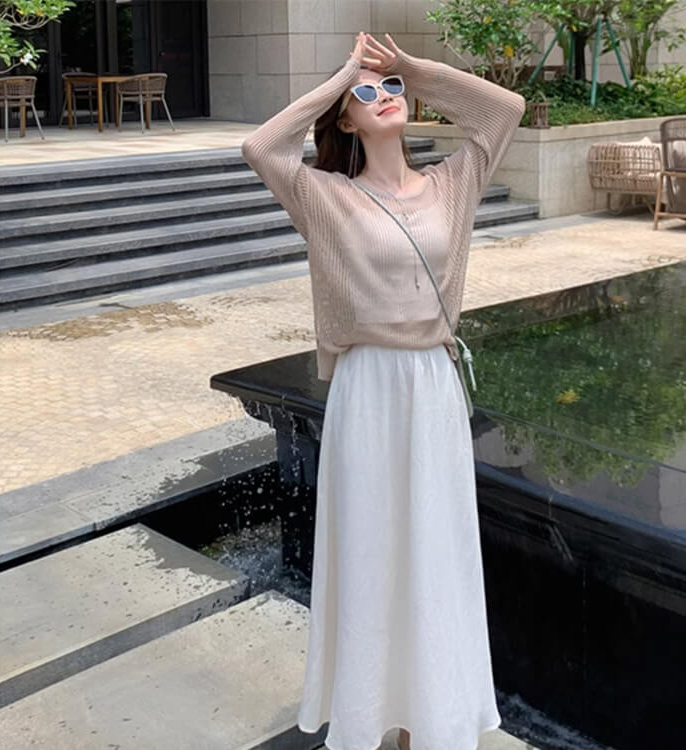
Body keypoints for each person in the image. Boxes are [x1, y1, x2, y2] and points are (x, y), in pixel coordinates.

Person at [241, 31, 525, 750]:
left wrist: (411, 69)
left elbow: (505, 110)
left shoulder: (454, 183)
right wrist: (342, 74)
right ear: (345, 120)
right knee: (371, 551)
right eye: (366, 96)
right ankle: (374, 717)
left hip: (431, 383)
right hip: (366, 386)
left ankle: (430, 720)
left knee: (435, 549)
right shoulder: (326, 197)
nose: (383, 97)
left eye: (390, 90)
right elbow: (261, 147)